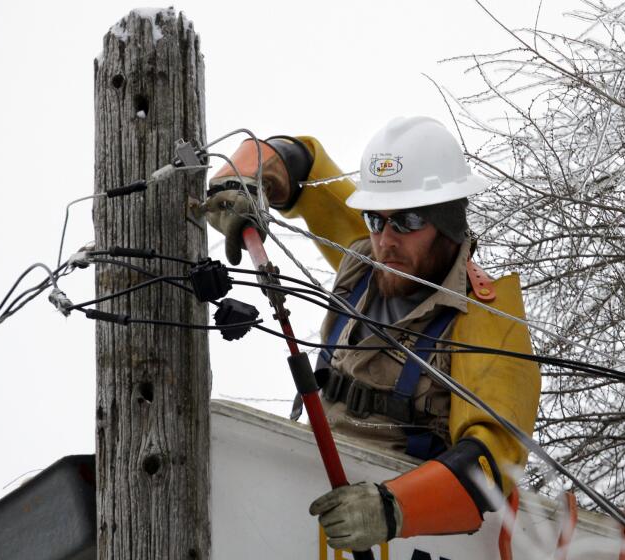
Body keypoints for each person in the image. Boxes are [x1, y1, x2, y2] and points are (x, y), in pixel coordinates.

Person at [204, 116, 540, 552]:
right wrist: (238, 184)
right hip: (306, 490)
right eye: (374, 219)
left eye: (408, 220)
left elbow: (492, 459)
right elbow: (303, 163)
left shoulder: (486, 319)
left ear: (449, 223)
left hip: (408, 533)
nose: (386, 239)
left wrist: (393, 508)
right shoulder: (368, 258)